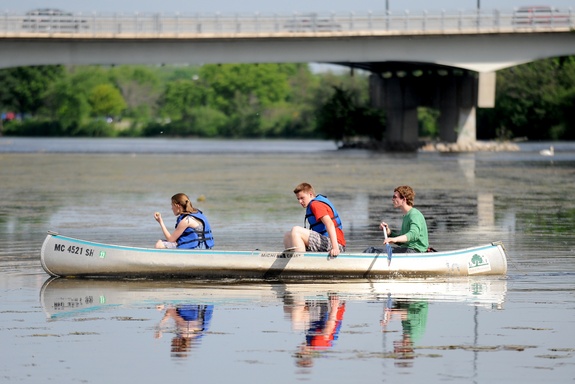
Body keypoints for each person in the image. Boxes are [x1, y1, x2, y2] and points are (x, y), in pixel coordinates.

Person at [283, 182, 345, 258]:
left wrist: (335, 248)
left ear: (310, 194)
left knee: (296, 230)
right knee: (288, 235)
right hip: (324, 243)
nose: (300, 202)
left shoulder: (316, 205)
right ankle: (292, 261)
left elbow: (330, 224)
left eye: (302, 198)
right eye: (298, 199)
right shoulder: (313, 204)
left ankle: (301, 263)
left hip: (336, 245)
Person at [366, 185, 428, 253]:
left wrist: (394, 239)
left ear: (404, 199)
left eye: (395, 197)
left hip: (415, 251)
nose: (392, 199)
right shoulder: (407, 215)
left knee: (370, 251)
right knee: (370, 250)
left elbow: (414, 234)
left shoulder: (414, 214)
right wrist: (389, 232)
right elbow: (402, 242)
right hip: (408, 249)